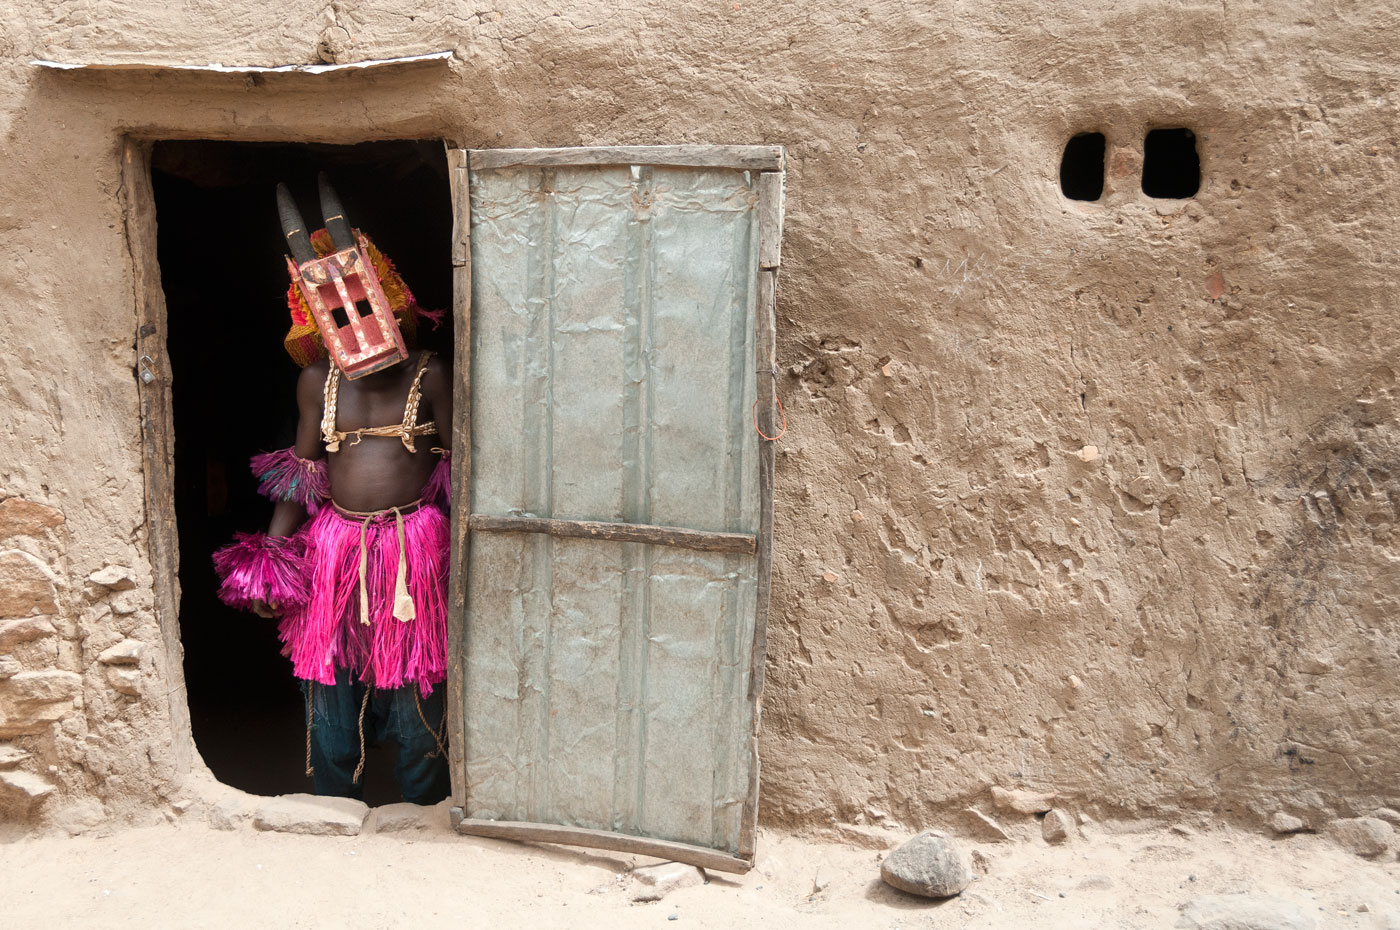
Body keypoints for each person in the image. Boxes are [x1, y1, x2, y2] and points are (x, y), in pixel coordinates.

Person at [213, 175, 453, 804]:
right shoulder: (316, 381)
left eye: (363, 304)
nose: (354, 322)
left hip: (415, 554)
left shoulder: (432, 376)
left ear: (388, 296)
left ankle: (421, 810)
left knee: (416, 694)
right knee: (329, 688)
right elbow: (303, 475)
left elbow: (467, 473)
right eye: (337, 313)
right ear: (314, 316)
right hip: (333, 553)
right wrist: (271, 559)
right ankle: (329, 807)